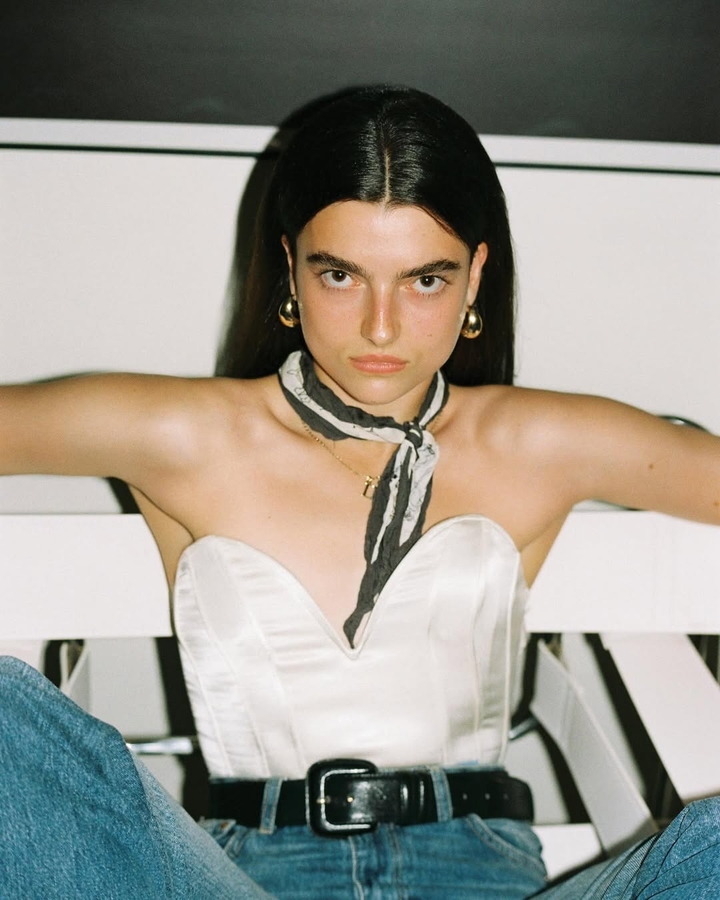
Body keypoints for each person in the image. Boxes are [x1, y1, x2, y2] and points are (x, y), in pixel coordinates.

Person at [1, 85, 720, 899]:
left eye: (426, 280)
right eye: (341, 275)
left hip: (481, 869)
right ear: (291, 268)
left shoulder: (534, 442)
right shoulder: (190, 435)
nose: (381, 326)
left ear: (476, 278)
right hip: (241, 876)